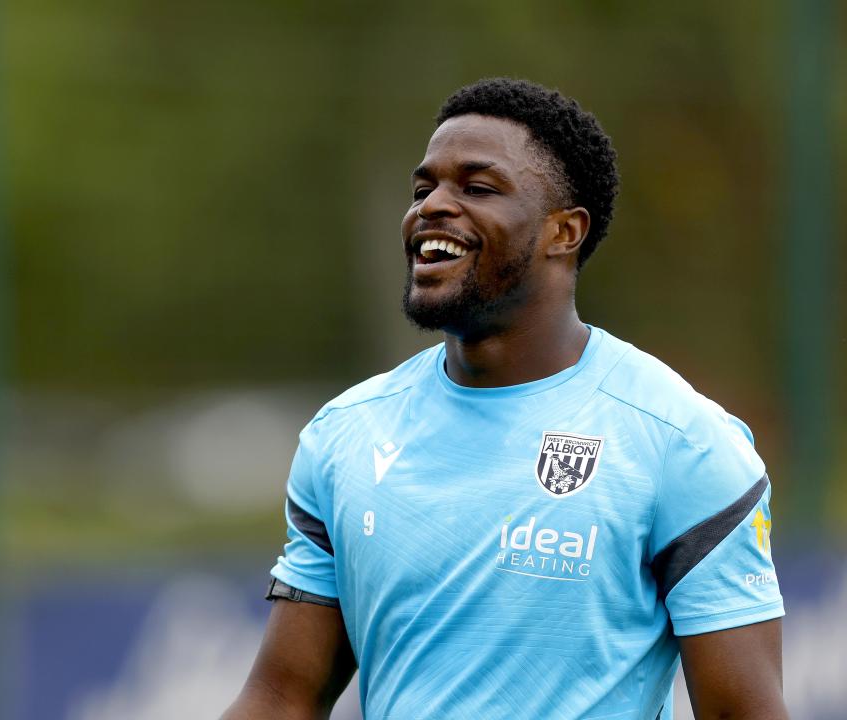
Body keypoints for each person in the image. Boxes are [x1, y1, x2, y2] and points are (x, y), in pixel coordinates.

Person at [222, 78, 787, 719]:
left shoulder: (682, 440)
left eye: (476, 188)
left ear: (563, 232)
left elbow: (745, 712)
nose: (432, 206)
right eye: (423, 188)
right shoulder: (345, 434)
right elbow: (281, 696)